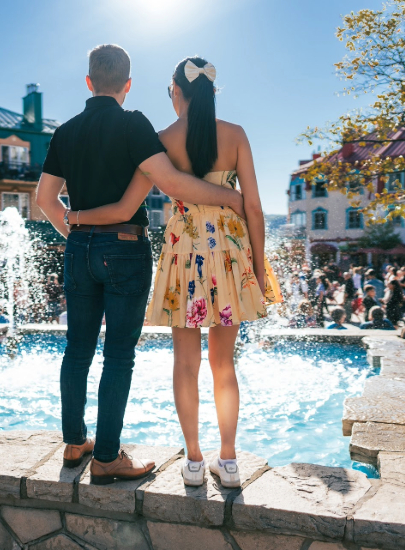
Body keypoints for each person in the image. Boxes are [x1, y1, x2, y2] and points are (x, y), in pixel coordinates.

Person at [35, 46, 249, 487]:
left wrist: (74, 231)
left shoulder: (65, 132)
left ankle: (75, 443)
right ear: (127, 85)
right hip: (125, 248)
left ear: (88, 81)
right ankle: (108, 458)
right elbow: (170, 183)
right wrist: (229, 196)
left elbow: (44, 199)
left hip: (78, 249)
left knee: (77, 348)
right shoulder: (135, 124)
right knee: (118, 355)